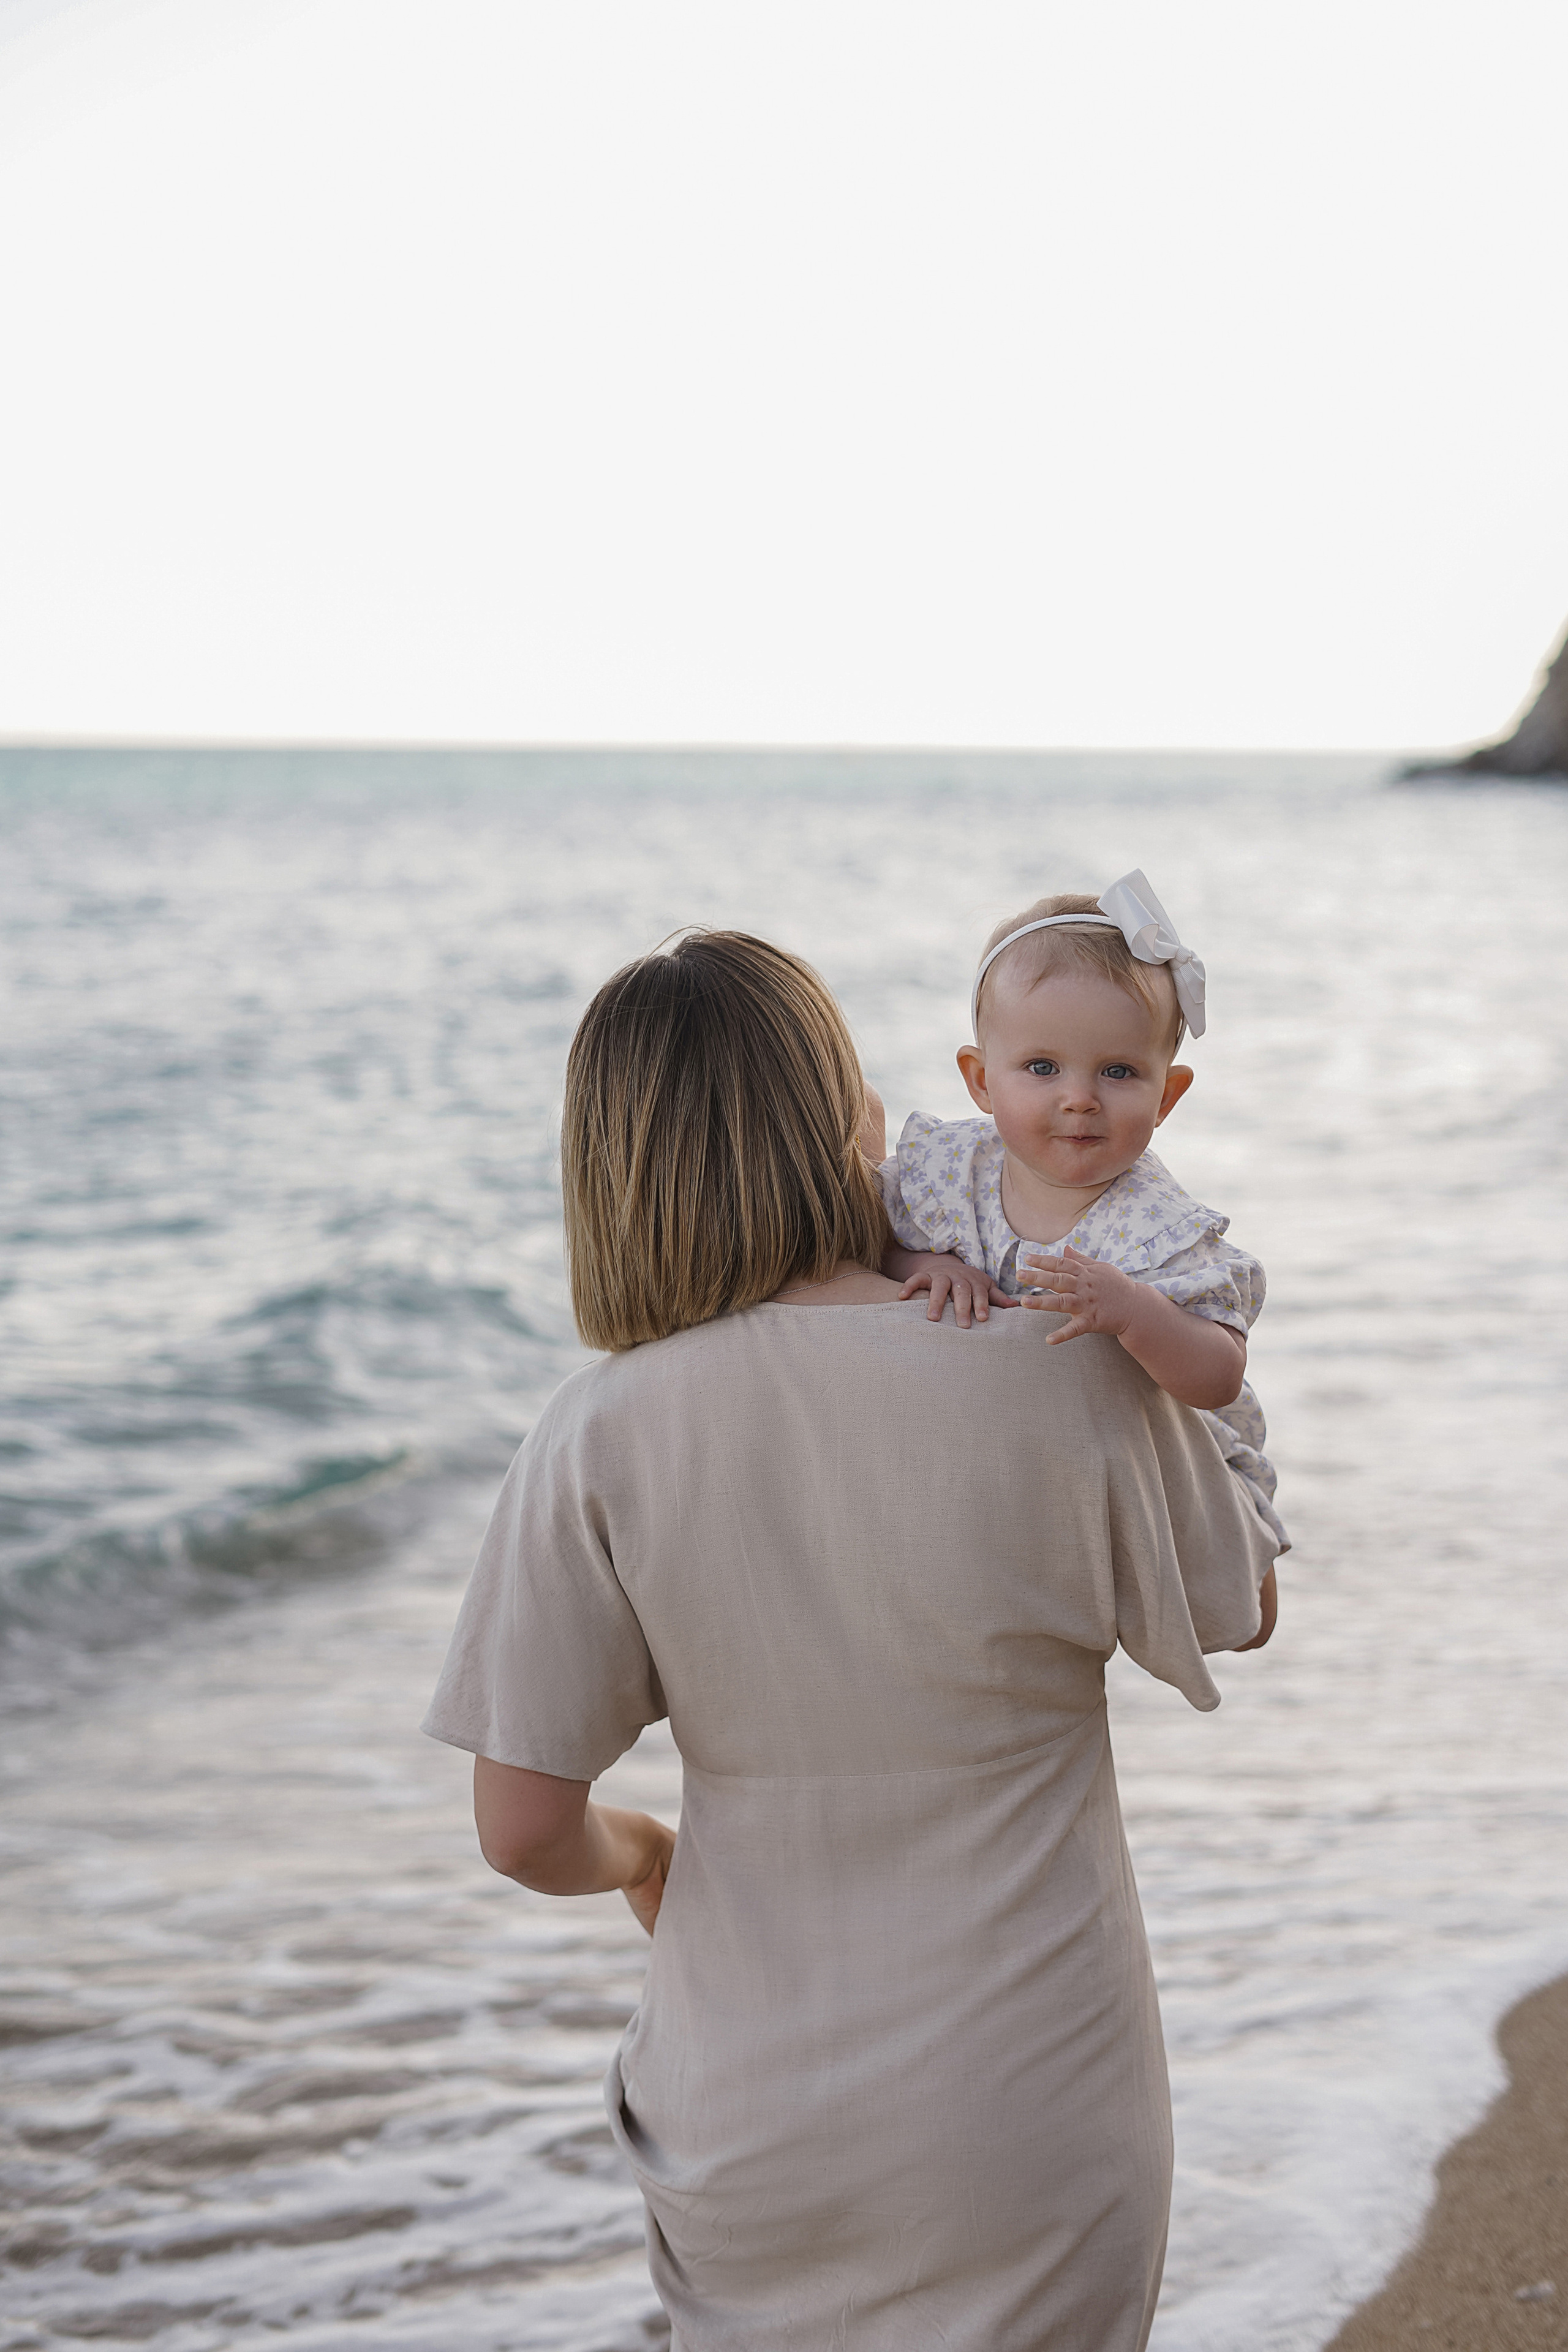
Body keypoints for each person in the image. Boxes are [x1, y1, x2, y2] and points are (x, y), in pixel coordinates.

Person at [421, 928, 1279, 2352]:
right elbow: (1234, 1606)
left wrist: (643, 1856)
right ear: (852, 1123)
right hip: (1030, 2083)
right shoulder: (1056, 1368)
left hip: (745, 2106)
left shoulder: (596, 1433)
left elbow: (520, 1831)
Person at [879, 870, 1287, 1549]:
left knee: (1245, 1613)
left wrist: (1136, 1311)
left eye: (1118, 1072)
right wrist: (923, 1262)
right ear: (981, 1080)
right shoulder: (950, 1172)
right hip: (1032, 1469)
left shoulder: (1158, 1229)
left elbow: (1219, 1377)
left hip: (1166, 1471)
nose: (1079, 1099)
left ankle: (1254, 1564)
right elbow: (869, 1240)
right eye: (1042, 1067)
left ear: (1167, 1096)